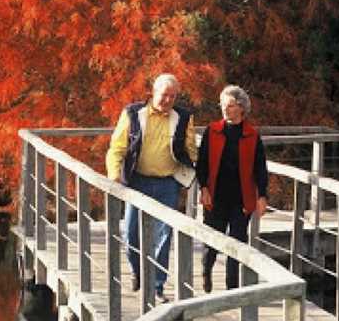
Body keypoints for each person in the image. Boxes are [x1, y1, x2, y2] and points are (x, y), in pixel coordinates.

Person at [106, 74, 197, 302]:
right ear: (153, 93)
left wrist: (193, 172)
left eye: (172, 96)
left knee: (164, 236)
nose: (167, 100)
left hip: (168, 183)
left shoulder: (183, 117)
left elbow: (191, 149)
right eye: (164, 95)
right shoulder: (133, 113)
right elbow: (117, 147)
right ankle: (137, 271)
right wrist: (114, 175)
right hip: (137, 181)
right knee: (130, 233)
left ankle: (156, 286)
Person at [196, 84, 268, 292]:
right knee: (213, 241)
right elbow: (202, 163)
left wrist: (262, 196)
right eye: (223, 105)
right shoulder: (212, 131)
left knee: (236, 244)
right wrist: (204, 188)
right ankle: (206, 270)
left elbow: (260, 168)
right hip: (216, 195)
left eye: (230, 106)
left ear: (242, 108)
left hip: (241, 199)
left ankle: (232, 289)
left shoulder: (252, 136)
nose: (225, 109)